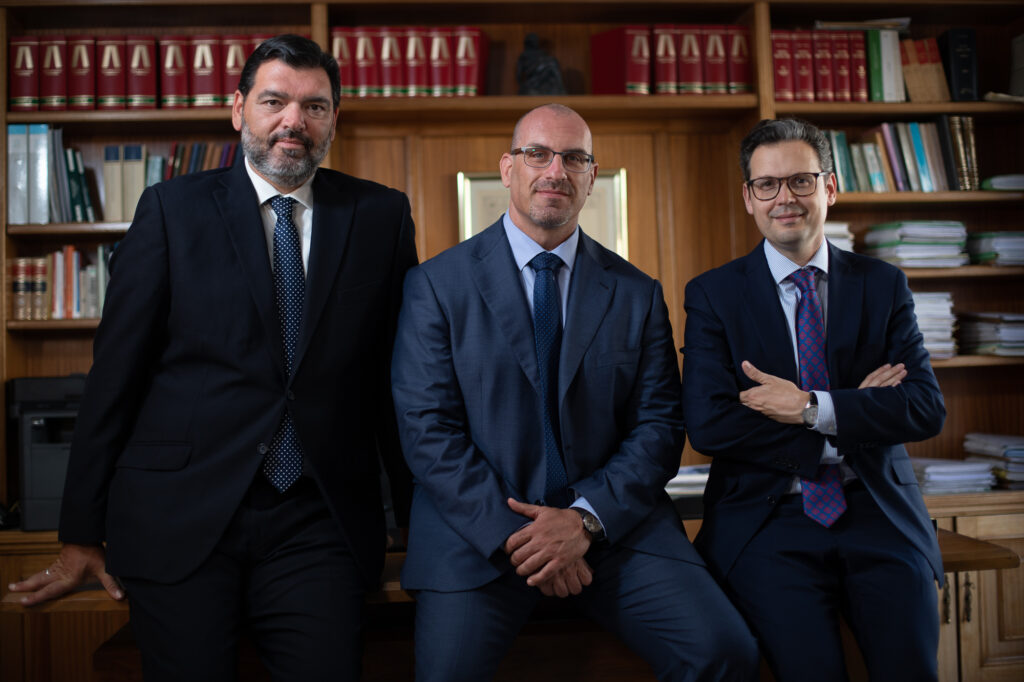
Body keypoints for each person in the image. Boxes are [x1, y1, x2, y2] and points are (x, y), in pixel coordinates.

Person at [9, 34, 417, 681]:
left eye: (314, 106)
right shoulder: (171, 210)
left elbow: (396, 381)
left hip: (317, 521)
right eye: (274, 101)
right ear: (237, 109)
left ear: (333, 119)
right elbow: (115, 376)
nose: (293, 121)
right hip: (180, 514)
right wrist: (80, 532)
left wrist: (418, 518)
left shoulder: (380, 215)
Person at [391, 103, 758, 681]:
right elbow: (426, 431)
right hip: (478, 533)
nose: (555, 171)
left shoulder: (636, 293)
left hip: (613, 530)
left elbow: (659, 427)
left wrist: (583, 521)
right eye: (538, 154)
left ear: (591, 176)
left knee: (725, 650)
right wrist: (530, 539)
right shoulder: (436, 285)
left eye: (574, 158)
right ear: (507, 168)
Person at [681, 118, 945, 681]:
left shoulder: (883, 284)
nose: (785, 198)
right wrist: (853, 414)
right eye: (767, 185)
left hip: (876, 510)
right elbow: (709, 425)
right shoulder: (714, 295)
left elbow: (924, 408)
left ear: (829, 187)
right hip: (769, 518)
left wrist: (810, 407)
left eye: (801, 181)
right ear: (749, 198)